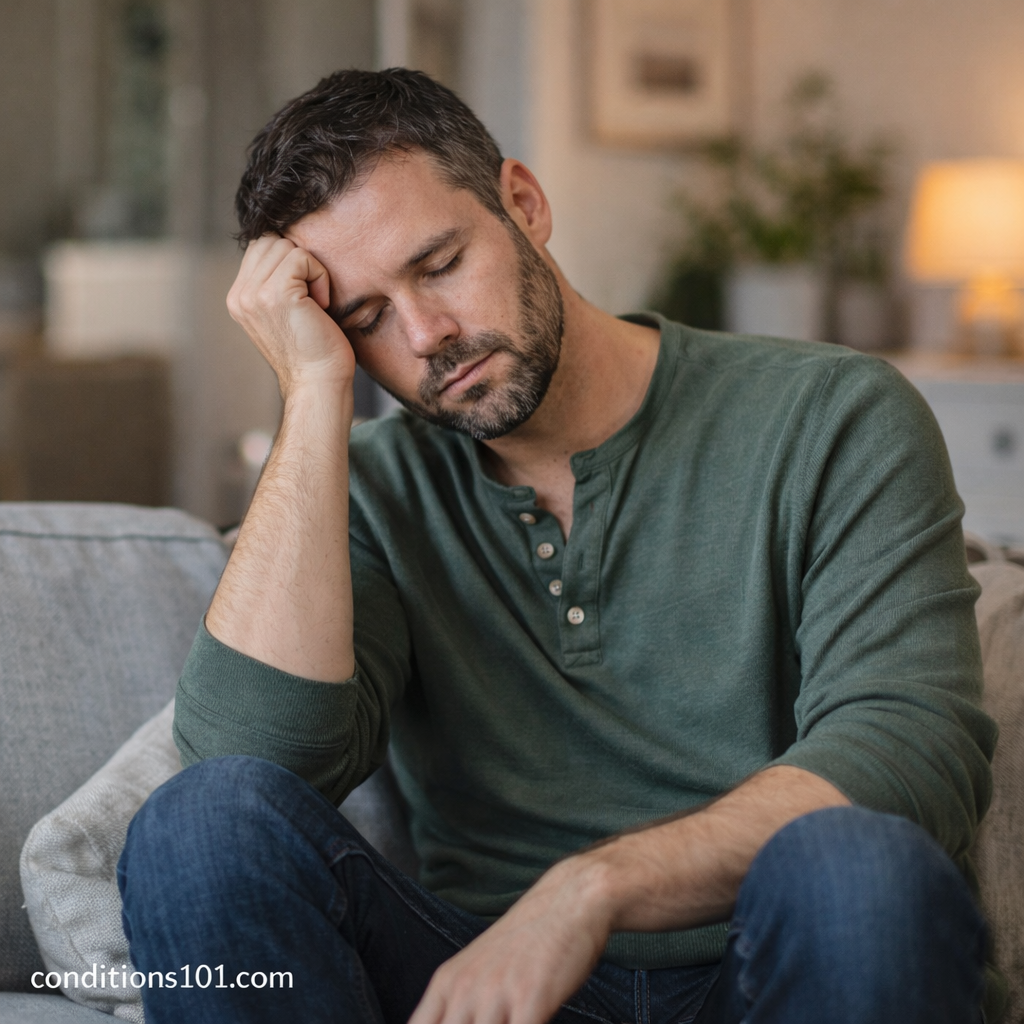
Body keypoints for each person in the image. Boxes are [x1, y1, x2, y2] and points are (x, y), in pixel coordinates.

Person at [118, 68, 1000, 1024]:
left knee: (855, 864)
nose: (428, 336)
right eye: (366, 319)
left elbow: (911, 753)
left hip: (769, 974)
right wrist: (315, 392)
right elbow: (251, 768)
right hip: (484, 991)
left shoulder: (831, 414)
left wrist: (591, 890)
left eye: (441, 263)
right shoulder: (369, 485)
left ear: (525, 205)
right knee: (195, 827)